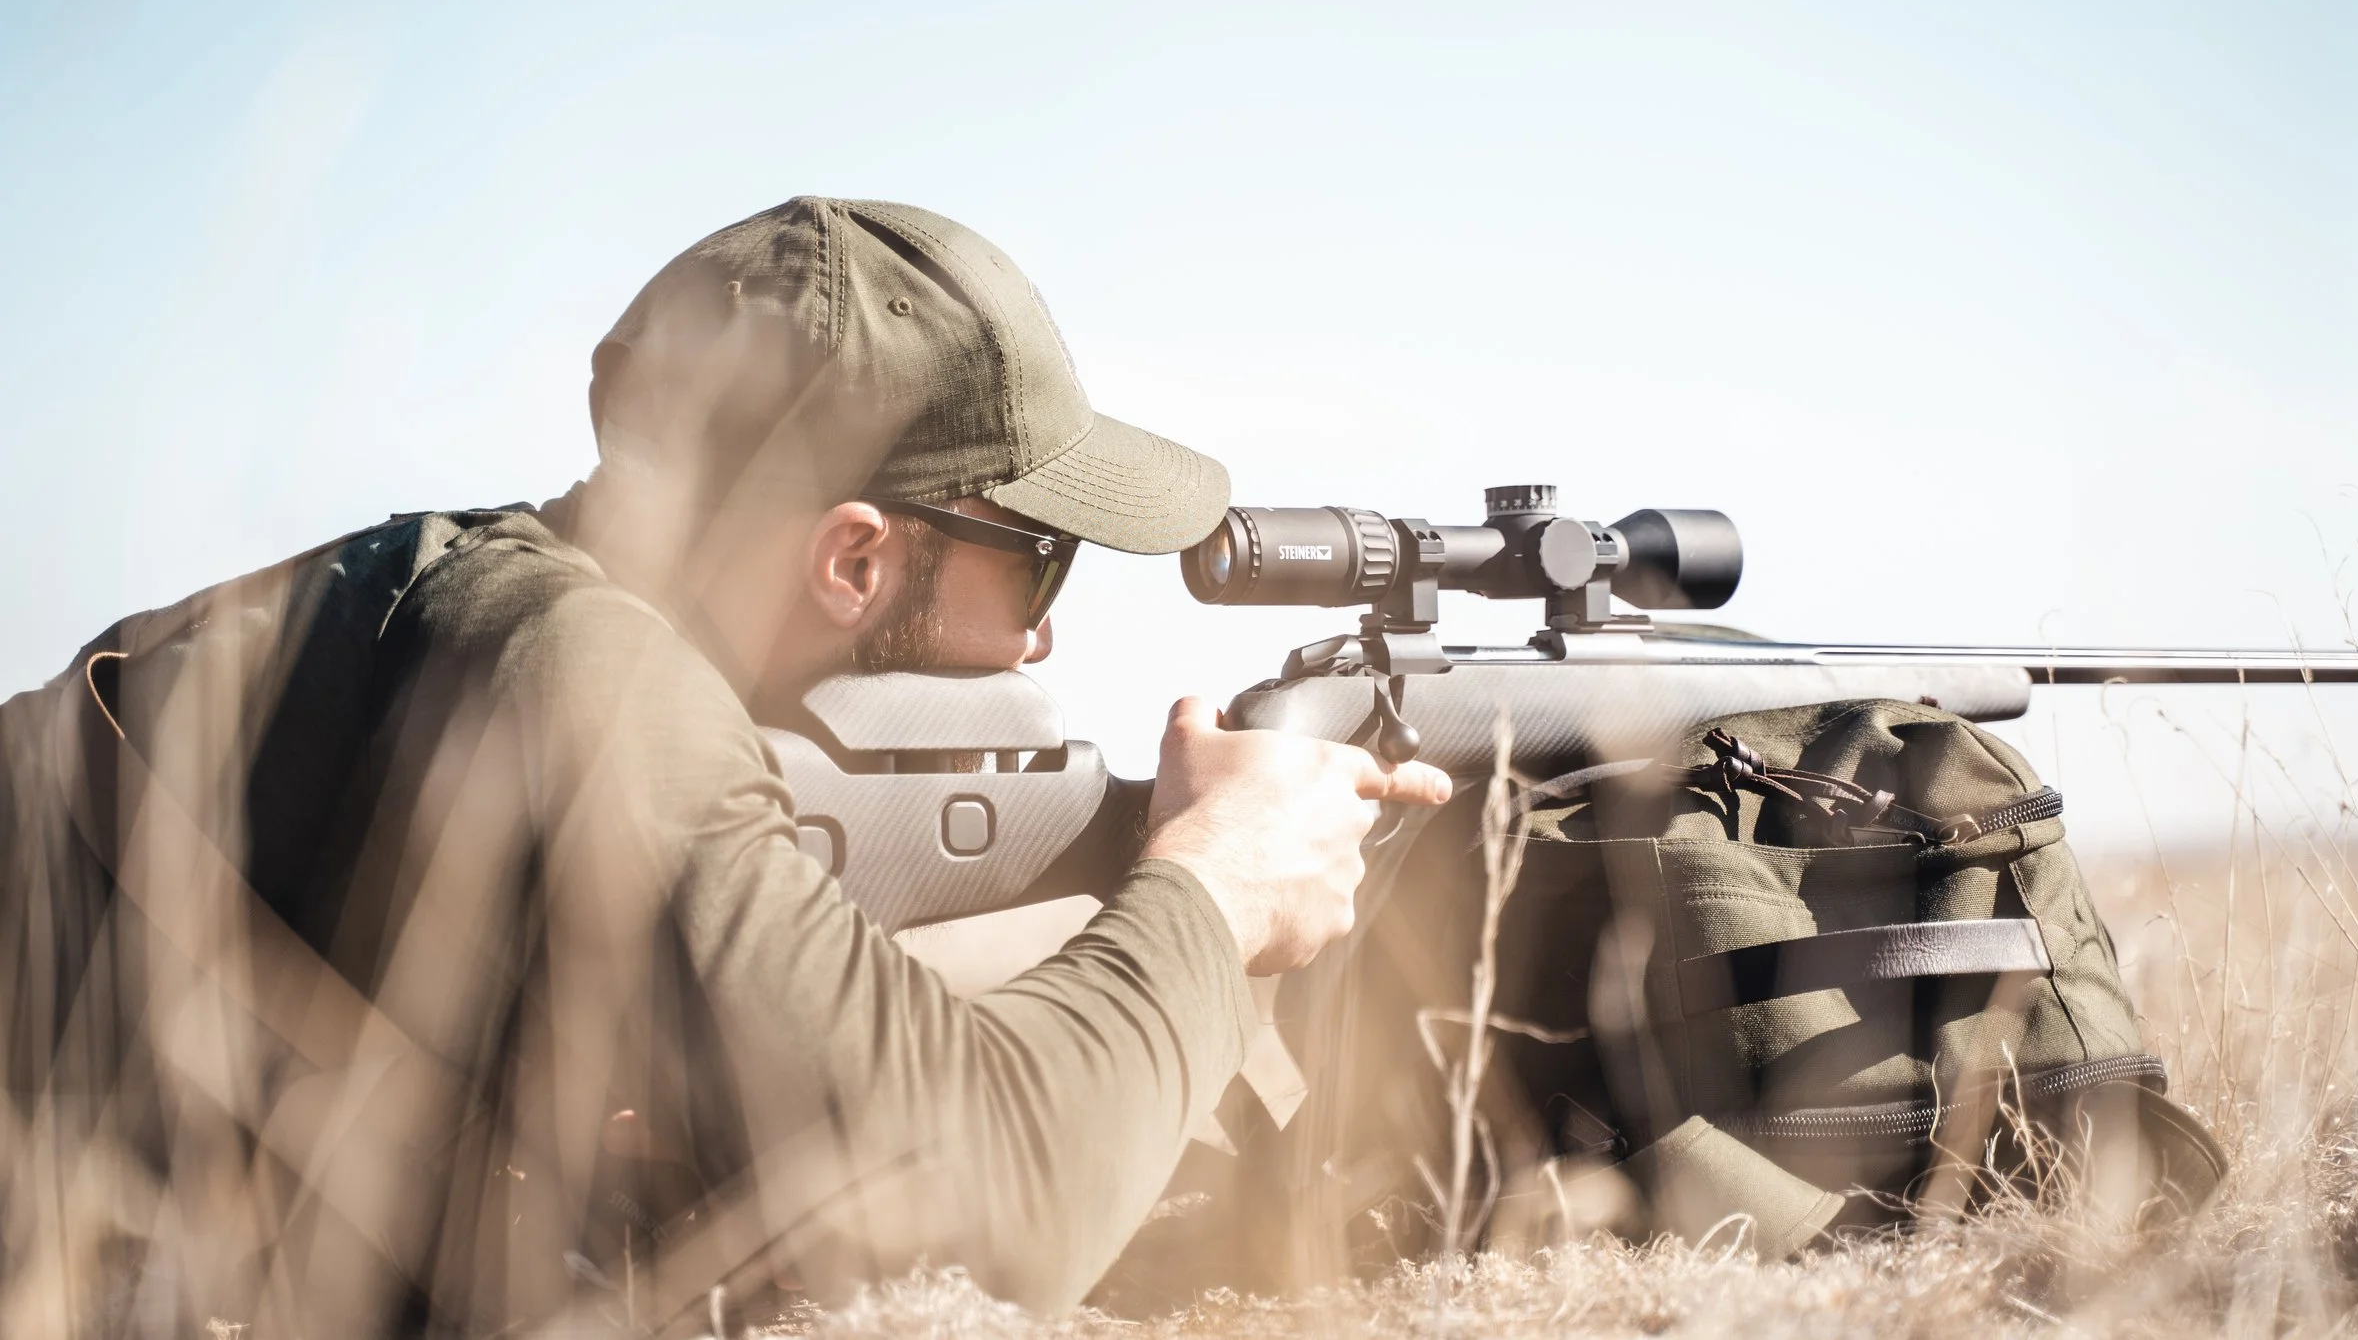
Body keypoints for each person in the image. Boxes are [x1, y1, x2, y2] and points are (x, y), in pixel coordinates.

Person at [0, 197, 1451, 1336]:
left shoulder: (485, 594)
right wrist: (1211, 888)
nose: (1047, 631)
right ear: (854, 555)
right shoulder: (590, 679)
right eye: (1038, 556)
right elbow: (989, 1213)